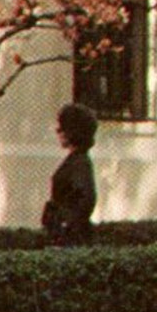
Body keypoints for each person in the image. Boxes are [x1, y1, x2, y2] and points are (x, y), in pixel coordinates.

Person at [43, 102, 98, 246]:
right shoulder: (75, 160)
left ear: (73, 132)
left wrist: (65, 224)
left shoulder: (79, 162)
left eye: (62, 128)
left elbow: (86, 199)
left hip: (70, 238)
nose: (58, 131)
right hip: (64, 233)